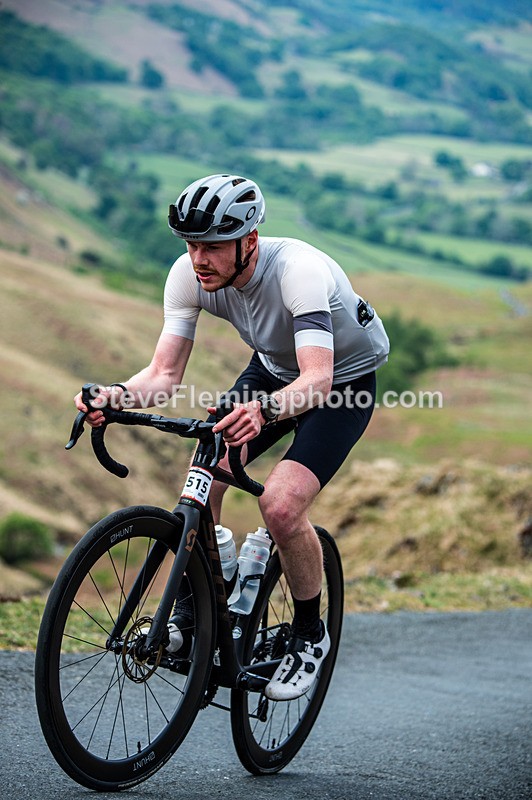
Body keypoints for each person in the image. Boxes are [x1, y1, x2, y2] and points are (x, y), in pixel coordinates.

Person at [75, 173, 390, 701]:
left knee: (283, 506)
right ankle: (198, 613)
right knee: (205, 474)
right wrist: (114, 396)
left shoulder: (299, 272)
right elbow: (162, 376)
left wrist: (264, 412)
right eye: (192, 245)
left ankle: (310, 635)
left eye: (214, 247)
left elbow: (317, 380)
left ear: (250, 240)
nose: (200, 259)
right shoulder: (187, 274)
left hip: (341, 380)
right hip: (271, 369)